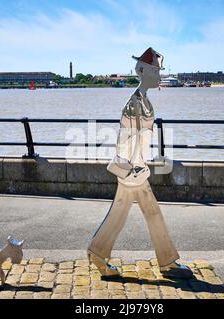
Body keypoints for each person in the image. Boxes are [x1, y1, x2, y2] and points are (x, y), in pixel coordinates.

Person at [87, 47, 193, 279]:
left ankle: (165, 261)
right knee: (128, 214)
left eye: (158, 71)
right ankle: (100, 253)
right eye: (155, 71)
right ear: (142, 71)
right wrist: (132, 167)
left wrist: (142, 162)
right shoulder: (134, 103)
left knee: (142, 213)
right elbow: (124, 138)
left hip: (137, 169)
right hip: (132, 172)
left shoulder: (143, 101)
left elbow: (141, 138)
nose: (158, 75)